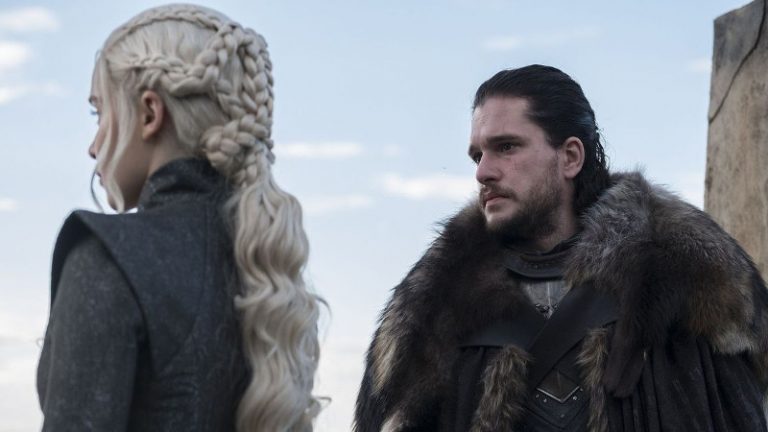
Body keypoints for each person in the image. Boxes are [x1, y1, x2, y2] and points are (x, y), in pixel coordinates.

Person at [354, 65, 768, 431]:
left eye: (506, 147)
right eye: (477, 155)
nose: (483, 172)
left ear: (570, 157)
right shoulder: (436, 306)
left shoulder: (685, 284)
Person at [36, 4, 322, 431]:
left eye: (100, 113)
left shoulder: (108, 259)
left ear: (150, 114)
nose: (93, 147)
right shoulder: (266, 272)